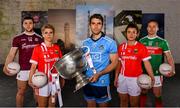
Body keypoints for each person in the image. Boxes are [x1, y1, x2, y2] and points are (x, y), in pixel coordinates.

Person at [3, 16, 43, 107]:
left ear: (34, 24)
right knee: (21, 91)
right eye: (26, 23)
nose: (28, 25)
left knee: (36, 90)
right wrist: (6, 65)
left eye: (30, 23)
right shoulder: (18, 38)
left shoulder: (40, 38)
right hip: (23, 69)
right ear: (23, 25)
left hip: (36, 69)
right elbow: (11, 54)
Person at [114, 23, 155, 107]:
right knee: (123, 101)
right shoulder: (121, 47)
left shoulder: (141, 47)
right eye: (129, 32)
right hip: (122, 78)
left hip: (135, 79)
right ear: (126, 34)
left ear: (137, 34)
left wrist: (152, 77)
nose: (131, 34)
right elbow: (119, 63)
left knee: (134, 103)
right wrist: (116, 77)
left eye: (133, 32)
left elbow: (147, 63)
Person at [82, 14, 118, 107]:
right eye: (93, 23)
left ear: (102, 25)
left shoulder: (110, 42)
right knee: (90, 105)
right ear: (89, 25)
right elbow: (83, 62)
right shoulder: (85, 43)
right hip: (87, 81)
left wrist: (99, 74)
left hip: (102, 81)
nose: (96, 26)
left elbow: (114, 63)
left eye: (99, 23)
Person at [139, 20, 175, 107]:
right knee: (143, 91)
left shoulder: (162, 42)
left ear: (157, 28)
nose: (151, 28)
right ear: (147, 28)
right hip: (144, 72)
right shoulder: (141, 41)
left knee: (157, 94)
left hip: (157, 73)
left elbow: (169, 57)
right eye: (149, 26)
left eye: (154, 26)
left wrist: (173, 69)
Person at [28, 24, 65, 107]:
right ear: (42, 34)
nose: (48, 35)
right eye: (46, 33)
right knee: (42, 106)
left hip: (55, 81)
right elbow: (33, 66)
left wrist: (62, 79)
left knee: (52, 105)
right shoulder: (37, 48)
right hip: (42, 81)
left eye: (51, 32)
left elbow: (60, 65)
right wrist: (30, 80)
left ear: (53, 34)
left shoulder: (57, 48)